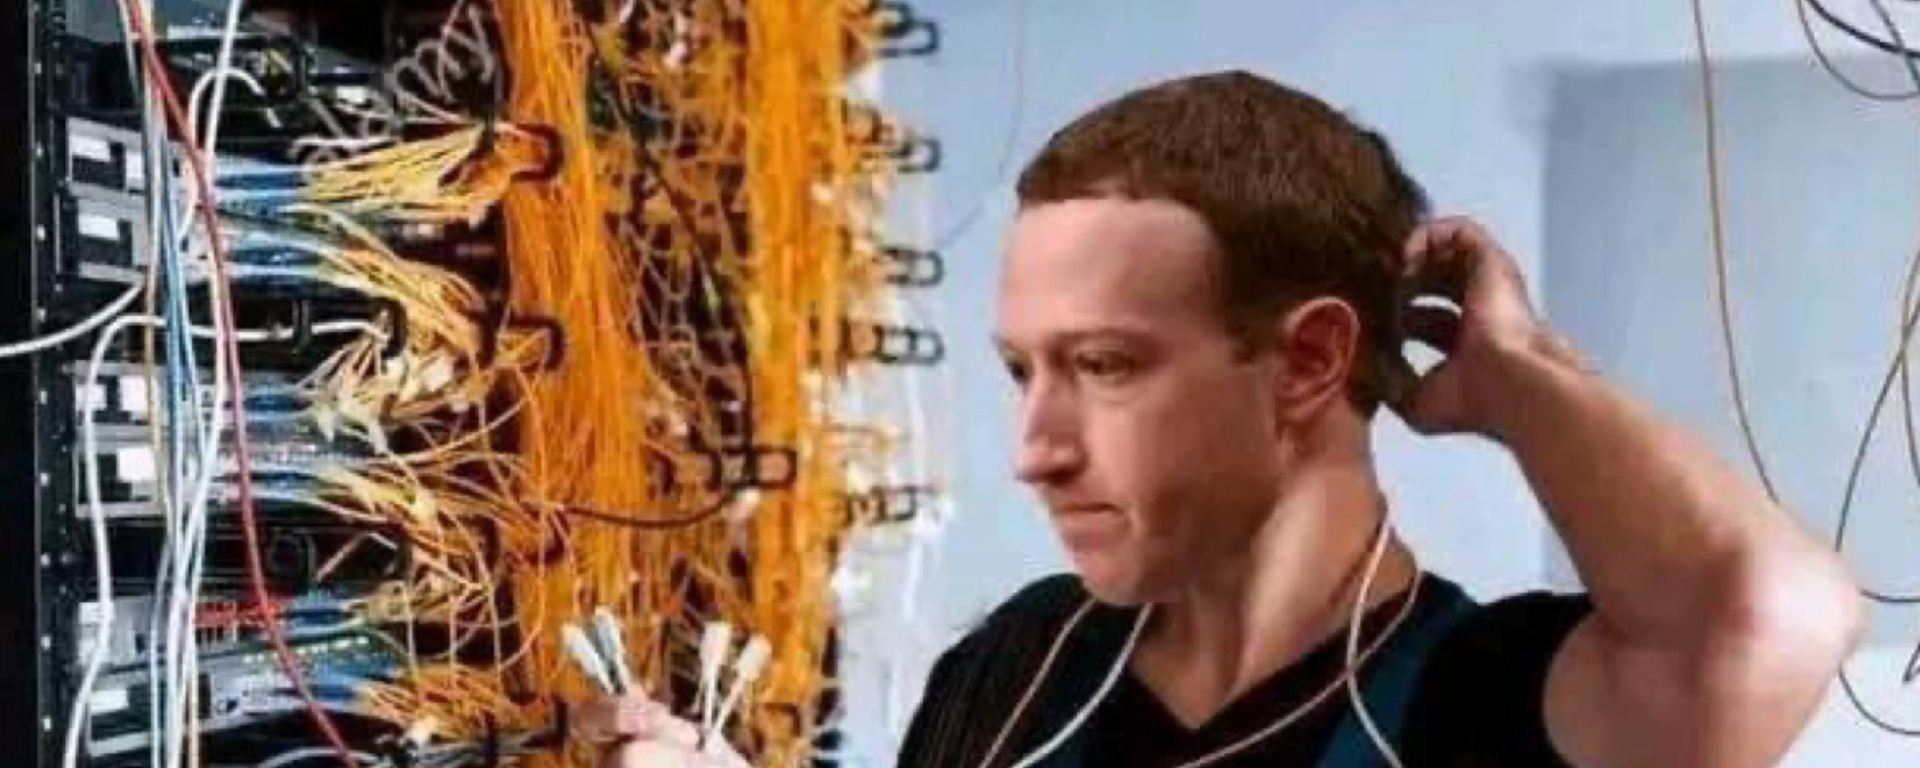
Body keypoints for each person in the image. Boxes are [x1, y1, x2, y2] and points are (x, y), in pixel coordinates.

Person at [581, 70, 1865, 767]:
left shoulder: (1488, 705)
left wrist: (1522, 372)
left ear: (1308, 360)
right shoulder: (1025, 667)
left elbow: (1769, 618)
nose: (1036, 450)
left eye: (1106, 367)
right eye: (1025, 373)